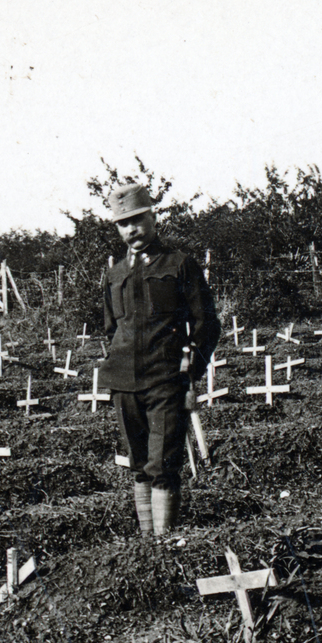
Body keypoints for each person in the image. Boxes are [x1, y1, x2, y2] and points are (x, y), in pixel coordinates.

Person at [99, 183, 219, 537]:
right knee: (138, 466)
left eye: (137, 219)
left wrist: (189, 372)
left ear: (153, 217)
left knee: (163, 465)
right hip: (124, 384)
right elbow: (111, 329)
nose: (131, 229)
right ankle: (147, 544)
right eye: (123, 223)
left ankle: (164, 543)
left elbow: (206, 324)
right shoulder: (114, 274)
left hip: (165, 381)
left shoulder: (179, 265)